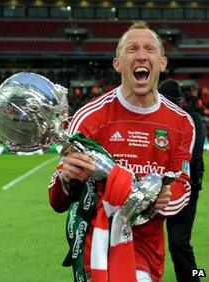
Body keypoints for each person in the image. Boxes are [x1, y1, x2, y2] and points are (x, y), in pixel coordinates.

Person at [48, 20, 195, 282]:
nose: (141, 55)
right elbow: (57, 199)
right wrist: (65, 178)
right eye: (132, 49)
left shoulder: (182, 124)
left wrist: (162, 199)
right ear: (117, 64)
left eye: (150, 49)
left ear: (162, 63)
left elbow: (183, 187)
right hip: (96, 247)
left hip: (146, 251)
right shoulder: (90, 116)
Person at [158, 79, 206, 282]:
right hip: (159, 186)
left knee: (178, 241)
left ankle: (196, 276)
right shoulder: (160, 116)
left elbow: (190, 157)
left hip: (185, 187)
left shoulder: (191, 119)